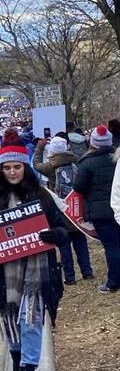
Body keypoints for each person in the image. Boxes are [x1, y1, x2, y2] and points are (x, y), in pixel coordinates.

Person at [0, 128, 67, 371]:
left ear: (25, 167)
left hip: (36, 273)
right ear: (0, 169)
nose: (13, 172)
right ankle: (17, 360)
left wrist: (53, 236)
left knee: (33, 321)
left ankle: (29, 370)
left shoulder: (41, 196)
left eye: (18, 167)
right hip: (4, 275)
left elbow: (61, 230)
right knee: (12, 322)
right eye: (8, 167)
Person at [33, 136, 94, 284]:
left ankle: (70, 277)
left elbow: (36, 164)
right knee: (80, 242)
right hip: (77, 209)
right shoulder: (76, 162)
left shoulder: (50, 167)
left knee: (64, 246)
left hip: (61, 210)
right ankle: (87, 272)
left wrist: (40, 146)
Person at [74, 125, 119, 292]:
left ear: (92, 143)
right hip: (118, 206)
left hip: (101, 211)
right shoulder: (117, 158)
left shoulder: (87, 163)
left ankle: (114, 282)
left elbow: (78, 186)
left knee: (112, 246)